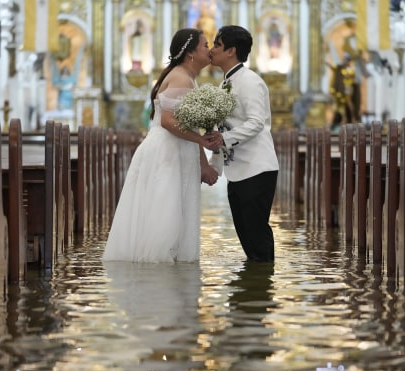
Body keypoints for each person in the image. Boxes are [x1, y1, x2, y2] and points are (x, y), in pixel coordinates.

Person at [103, 28, 221, 262]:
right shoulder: (180, 77)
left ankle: (172, 265)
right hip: (167, 151)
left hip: (176, 148)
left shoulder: (187, 77)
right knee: (165, 210)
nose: (209, 51)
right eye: (205, 45)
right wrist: (201, 141)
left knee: (172, 208)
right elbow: (168, 121)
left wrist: (203, 162)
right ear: (190, 53)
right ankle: (159, 274)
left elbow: (189, 125)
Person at [207, 25, 280, 262]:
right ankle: (251, 292)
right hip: (237, 171)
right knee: (246, 239)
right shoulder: (225, 84)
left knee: (257, 237)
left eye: (217, 45)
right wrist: (214, 166)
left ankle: (261, 291)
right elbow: (222, 129)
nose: (212, 50)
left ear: (231, 51)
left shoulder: (250, 81)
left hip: (257, 169)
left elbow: (257, 122)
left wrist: (224, 139)